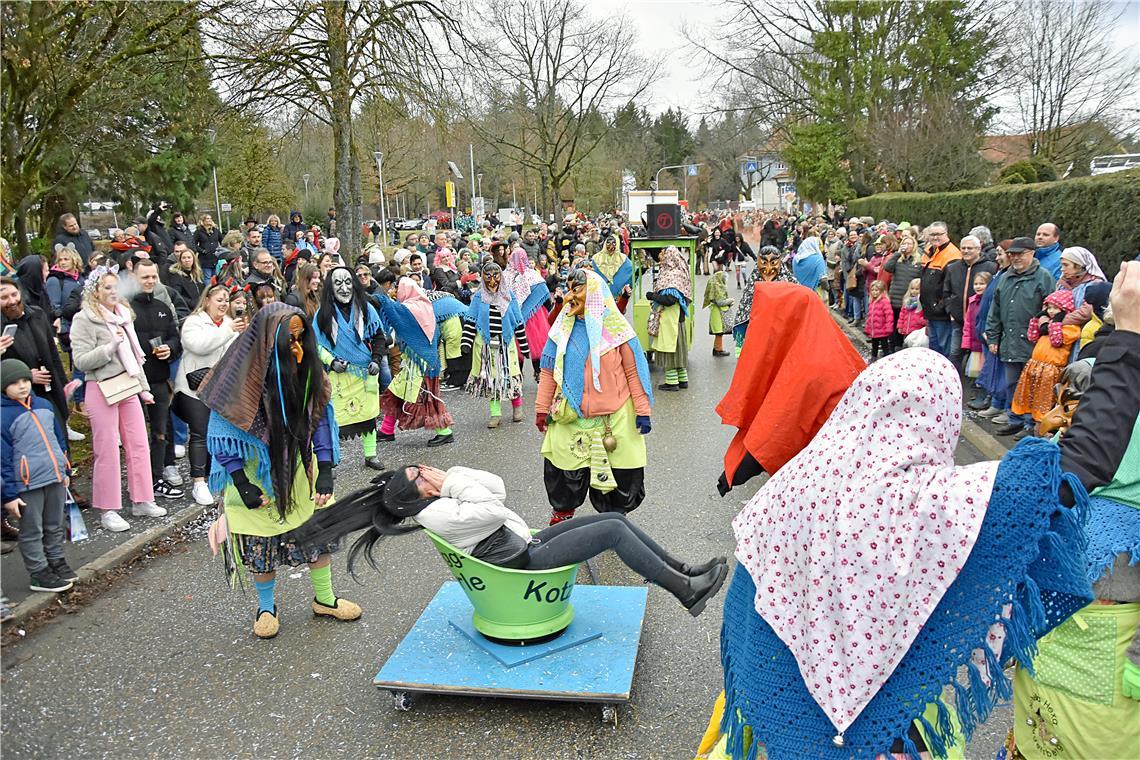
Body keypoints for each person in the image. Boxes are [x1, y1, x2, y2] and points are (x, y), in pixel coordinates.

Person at [710, 343, 1100, 759]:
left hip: (784, 709)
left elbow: (753, 599)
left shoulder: (797, 481)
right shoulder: (930, 504)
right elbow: (1050, 486)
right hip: (889, 739)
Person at [295, 465, 728, 617]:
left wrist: (451, 479)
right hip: (519, 564)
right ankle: (685, 590)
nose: (425, 470)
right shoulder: (437, 512)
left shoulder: (440, 499)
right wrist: (451, 484)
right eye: (419, 475)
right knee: (612, 531)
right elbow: (493, 510)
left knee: (612, 517)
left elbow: (496, 489)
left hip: (523, 545)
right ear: (417, 494)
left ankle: (685, 571)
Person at [200, 303, 358, 640]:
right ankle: (266, 606)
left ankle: (325, 599)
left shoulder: (309, 370)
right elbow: (222, 431)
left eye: (302, 337)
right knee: (261, 544)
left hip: (300, 469)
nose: (297, 346)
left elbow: (321, 423)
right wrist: (240, 482)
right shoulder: (239, 375)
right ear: (270, 342)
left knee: (316, 531)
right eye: (291, 338)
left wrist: (326, 468)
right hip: (256, 471)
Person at [536, 267, 654, 523]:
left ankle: (614, 523)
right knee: (562, 470)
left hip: (615, 417)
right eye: (568, 289)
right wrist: (541, 408)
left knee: (620, 475)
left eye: (576, 289)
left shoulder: (617, 329)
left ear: (594, 293)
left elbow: (635, 373)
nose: (569, 297)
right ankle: (563, 516)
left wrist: (643, 411)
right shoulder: (561, 330)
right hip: (570, 415)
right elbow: (548, 371)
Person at [69, 266, 165, 532]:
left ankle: (142, 498)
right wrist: (108, 348)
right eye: (106, 287)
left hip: (128, 385)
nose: (113, 292)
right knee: (107, 448)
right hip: (100, 387)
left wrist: (144, 388)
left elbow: (135, 358)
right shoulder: (84, 319)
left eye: (115, 287)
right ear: (95, 292)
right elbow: (80, 360)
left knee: (138, 443)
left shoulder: (124, 315)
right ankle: (108, 509)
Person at [1, 358, 76, 593]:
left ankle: (56, 561)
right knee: (32, 529)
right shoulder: (3, 416)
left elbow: (58, 439)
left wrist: (64, 469)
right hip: (26, 484)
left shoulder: (44, 405)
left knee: (55, 524)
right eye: (14, 382)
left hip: (53, 476)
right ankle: (38, 572)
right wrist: (9, 495)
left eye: (25, 380)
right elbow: (2, 459)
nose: (22, 386)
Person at [174, 283, 243, 506]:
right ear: (206, 301)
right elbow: (199, 346)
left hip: (220, 388)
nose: (223, 304)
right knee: (200, 432)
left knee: (217, 432)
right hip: (193, 388)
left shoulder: (230, 324)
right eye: (219, 300)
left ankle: (216, 475)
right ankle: (198, 481)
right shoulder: (194, 322)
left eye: (226, 300)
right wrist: (229, 331)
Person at [313, 267, 386, 470]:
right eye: (338, 283)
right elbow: (315, 345)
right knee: (334, 418)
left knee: (369, 415)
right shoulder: (322, 314)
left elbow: (379, 336)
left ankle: (371, 455)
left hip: (365, 372)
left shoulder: (366, 309)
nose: (344, 288)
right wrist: (331, 361)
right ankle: (332, 461)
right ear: (330, 287)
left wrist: (376, 360)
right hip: (337, 374)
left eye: (348, 282)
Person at [984, 237, 1056, 438]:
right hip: (1009, 340)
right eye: (1012, 254)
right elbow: (995, 309)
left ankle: (1029, 423)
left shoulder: (1043, 277)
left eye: (1020, 254)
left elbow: (1050, 310)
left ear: (1032, 253)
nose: (1015, 258)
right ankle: (1014, 418)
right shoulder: (1006, 277)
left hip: (1033, 343)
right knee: (1011, 383)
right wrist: (992, 337)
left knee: (1032, 385)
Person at [375, 277, 455, 447]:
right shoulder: (423, 305)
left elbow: (394, 311)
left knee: (428, 399)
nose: (396, 293)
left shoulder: (412, 307)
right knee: (395, 393)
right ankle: (387, 430)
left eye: (398, 289)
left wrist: (380, 297)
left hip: (421, 364)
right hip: (415, 362)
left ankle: (444, 431)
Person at [129, 259, 184, 499]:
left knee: (160, 432)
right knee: (137, 436)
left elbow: (175, 337)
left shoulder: (162, 304)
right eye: (145, 277)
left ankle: (158, 476)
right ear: (134, 278)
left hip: (160, 379)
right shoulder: (126, 308)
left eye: (153, 277)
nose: (150, 281)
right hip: (134, 382)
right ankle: (139, 483)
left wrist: (170, 349)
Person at [461, 261, 530, 427]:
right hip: (486, 346)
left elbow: (518, 323)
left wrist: (524, 346)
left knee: (511, 376)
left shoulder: (509, 295)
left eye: (496, 275)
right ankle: (495, 413)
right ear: (484, 278)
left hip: (506, 344)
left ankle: (517, 408)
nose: (492, 280)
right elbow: (471, 322)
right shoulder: (478, 297)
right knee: (491, 379)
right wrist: (466, 343)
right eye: (488, 276)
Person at [1008, 290, 1081, 440]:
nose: (1051, 311)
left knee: (1044, 402)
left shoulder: (1069, 328)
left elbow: (1057, 341)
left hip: (1050, 370)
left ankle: (1044, 430)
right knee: (1032, 398)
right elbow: (1032, 336)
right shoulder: (1046, 325)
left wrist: (1055, 323)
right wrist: (1038, 319)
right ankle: (1031, 426)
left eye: (1055, 308)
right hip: (1035, 366)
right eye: (1048, 307)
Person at [942, 235, 997, 371]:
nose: (966, 251)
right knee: (955, 352)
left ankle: (978, 384)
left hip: (980, 320)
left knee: (980, 353)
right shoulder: (952, 267)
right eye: (963, 248)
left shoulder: (991, 267)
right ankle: (954, 382)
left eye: (970, 248)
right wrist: (951, 311)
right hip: (958, 319)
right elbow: (946, 291)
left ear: (979, 249)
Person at [731, 246, 796, 358]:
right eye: (764, 263)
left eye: (773, 262)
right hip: (759, 335)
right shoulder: (754, 282)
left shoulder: (788, 282)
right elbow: (746, 307)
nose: (768, 268)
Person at [646, 246, 692, 391]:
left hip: (670, 320)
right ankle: (682, 379)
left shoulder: (671, 274)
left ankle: (672, 382)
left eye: (661, 256)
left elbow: (670, 299)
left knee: (669, 350)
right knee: (679, 350)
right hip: (679, 319)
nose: (660, 259)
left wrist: (652, 296)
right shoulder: (681, 272)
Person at [503, 248, 552, 381]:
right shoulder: (533, 275)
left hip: (513, 315)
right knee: (537, 346)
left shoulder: (505, 276)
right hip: (535, 315)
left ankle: (517, 374)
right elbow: (544, 294)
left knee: (517, 346)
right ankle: (539, 373)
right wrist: (550, 311)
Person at [919, 221, 962, 358]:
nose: (935, 237)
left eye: (939, 234)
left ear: (946, 234)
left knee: (944, 351)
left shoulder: (952, 255)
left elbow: (952, 286)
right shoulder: (929, 252)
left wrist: (940, 307)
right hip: (930, 311)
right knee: (934, 349)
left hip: (941, 313)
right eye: (932, 234)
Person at [883, 235, 925, 352]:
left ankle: (906, 349)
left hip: (911, 299)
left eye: (909, 243)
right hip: (896, 297)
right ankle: (894, 349)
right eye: (904, 243)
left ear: (914, 246)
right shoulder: (897, 259)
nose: (906, 245)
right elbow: (887, 267)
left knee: (909, 325)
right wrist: (897, 253)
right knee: (895, 325)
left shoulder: (919, 260)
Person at [960, 271, 992, 380]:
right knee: (975, 371)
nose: (978, 286)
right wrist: (966, 343)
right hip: (974, 342)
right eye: (976, 284)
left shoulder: (990, 301)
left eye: (982, 284)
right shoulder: (972, 301)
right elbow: (968, 323)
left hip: (985, 342)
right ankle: (975, 388)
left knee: (986, 369)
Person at [590, 235, 633, 313]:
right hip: (599, 297)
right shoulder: (596, 258)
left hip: (617, 298)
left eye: (613, 243)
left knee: (617, 314)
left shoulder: (622, 258)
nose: (611, 246)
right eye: (608, 243)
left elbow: (632, 270)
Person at [703, 262, 734, 357]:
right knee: (719, 332)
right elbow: (720, 302)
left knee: (718, 332)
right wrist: (730, 300)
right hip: (718, 313)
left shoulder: (714, 285)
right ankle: (718, 350)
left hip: (715, 312)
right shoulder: (718, 288)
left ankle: (716, 349)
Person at [167, 240, 204, 308]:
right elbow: (177, 295)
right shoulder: (176, 276)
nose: (187, 260)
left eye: (189, 257)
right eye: (184, 258)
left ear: (193, 259)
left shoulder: (198, 274)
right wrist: (193, 303)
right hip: (188, 309)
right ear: (180, 260)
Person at [863, 280, 894, 360]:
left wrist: (888, 327)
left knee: (884, 346)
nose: (874, 292)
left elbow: (889, 315)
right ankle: (874, 358)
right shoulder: (872, 302)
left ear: (882, 291)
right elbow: (869, 316)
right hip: (874, 330)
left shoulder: (884, 302)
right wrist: (868, 327)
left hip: (882, 329)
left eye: (876, 290)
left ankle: (887, 359)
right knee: (874, 345)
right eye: (872, 290)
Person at [792, 233, 828, 299]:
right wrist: (828, 290)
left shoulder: (796, 258)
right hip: (815, 293)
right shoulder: (818, 259)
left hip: (799, 292)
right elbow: (823, 279)